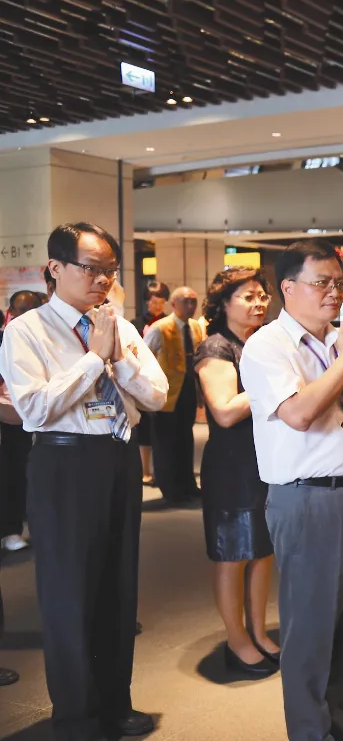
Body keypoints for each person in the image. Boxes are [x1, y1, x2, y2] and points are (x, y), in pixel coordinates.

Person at [0, 222, 167, 741]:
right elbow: (33, 408)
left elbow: (158, 394)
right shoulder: (25, 331)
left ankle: (116, 705)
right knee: (69, 593)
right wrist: (95, 357)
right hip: (64, 463)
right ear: (56, 269)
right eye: (91, 268)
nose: (102, 280)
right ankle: (76, 717)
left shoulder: (119, 326)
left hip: (117, 459)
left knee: (118, 588)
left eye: (110, 271)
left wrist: (115, 352)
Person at [240, 239, 343, 741]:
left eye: (339, 282)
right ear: (287, 288)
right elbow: (298, 413)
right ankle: (311, 733)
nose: (335, 292)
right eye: (322, 283)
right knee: (311, 632)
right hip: (307, 498)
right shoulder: (267, 346)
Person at [194, 268, 278, 677]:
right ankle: (236, 639)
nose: (259, 302)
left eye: (262, 295)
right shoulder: (216, 347)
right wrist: (273, 384)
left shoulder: (261, 344)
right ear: (224, 303)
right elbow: (224, 411)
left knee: (263, 552)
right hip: (232, 464)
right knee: (232, 555)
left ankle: (259, 632)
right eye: (247, 296)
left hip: (266, 460)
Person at [145, 287, 205, 503]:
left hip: (188, 390)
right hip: (166, 395)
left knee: (185, 439)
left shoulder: (196, 327)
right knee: (166, 443)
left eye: (193, 302)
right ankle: (170, 489)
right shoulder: (160, 328)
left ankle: (187, 484)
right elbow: (144, 357)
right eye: (186, 302)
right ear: (174, 304)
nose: (191, 306)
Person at [0, 291, 45, 552]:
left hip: (27, 417)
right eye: (22, 310)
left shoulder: (44, 339)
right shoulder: (6, 337)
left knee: (19, 474)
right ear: (11, 311)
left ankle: (12, 529)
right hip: (8, 414)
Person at [134, 281, 169, 486]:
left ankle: (161, 471)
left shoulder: (168, 324)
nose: (157, 305)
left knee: (163, 431)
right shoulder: (136, 323)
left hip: (163, 380)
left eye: (161, 301)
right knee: (144, 430)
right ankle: (145, 470)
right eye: (154, 301)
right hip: (141, 381)